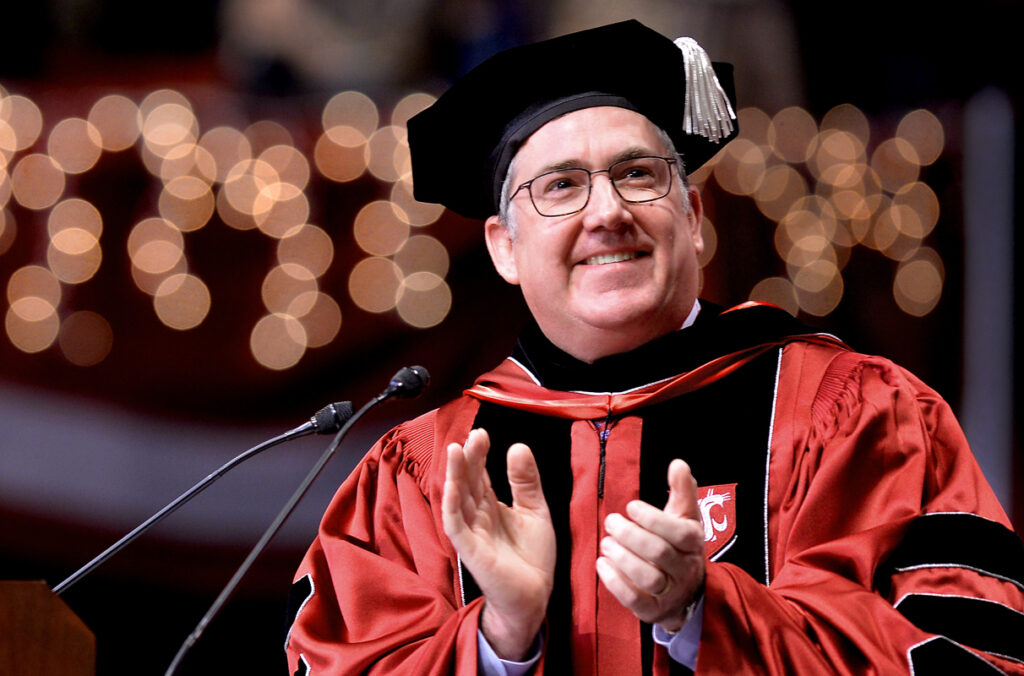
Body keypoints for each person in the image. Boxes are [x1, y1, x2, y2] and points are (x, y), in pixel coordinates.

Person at [284, 20, 1024, 675]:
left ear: (693, 217)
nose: (607, 212)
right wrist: (497, 640)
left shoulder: (854, 416)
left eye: (637, 174)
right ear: (505, 248)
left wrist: (707, 612)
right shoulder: (424, 475)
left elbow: (969, 655)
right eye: (561, 186)